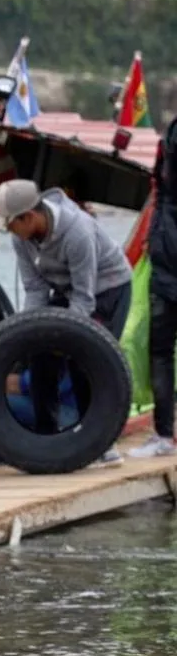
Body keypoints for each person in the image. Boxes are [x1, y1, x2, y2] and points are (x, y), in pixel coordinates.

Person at [0, 179, 133, 441]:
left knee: (84, 357)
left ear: (29, 217)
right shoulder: (23, 238)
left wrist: (65, 340)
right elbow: (35, 290)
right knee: (40, 352)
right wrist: (29, 332)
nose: (8, 231)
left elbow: (84, 299)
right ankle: (47, 435)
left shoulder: (78, 233)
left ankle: (98, 441)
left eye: (10, 224)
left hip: (107, 289)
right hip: (67, 290)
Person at [131, 117, 177, 458]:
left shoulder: (168, 141)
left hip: (164, 259)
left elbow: (159, 194)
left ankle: (163, 434)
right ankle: (163, 434)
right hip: (164, 263)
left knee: (160, 352)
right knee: (160, 352)